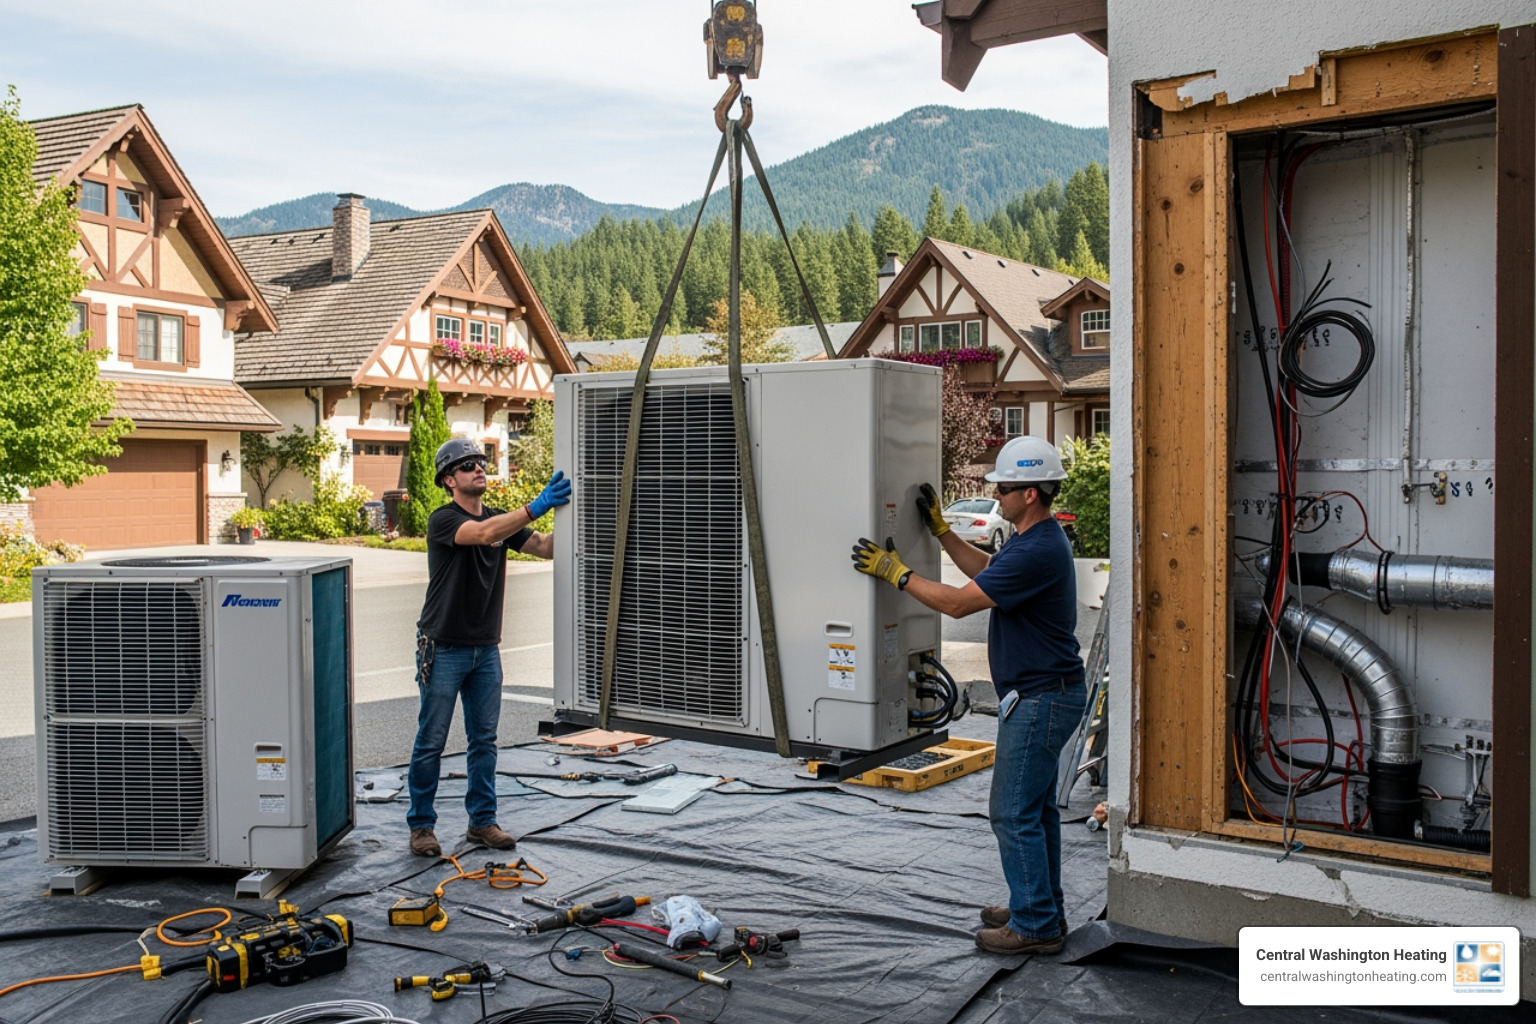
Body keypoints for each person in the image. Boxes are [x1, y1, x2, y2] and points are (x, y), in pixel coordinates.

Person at [851, 435, 1085, 956]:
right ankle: (1040, 905)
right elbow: (984, 574)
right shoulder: (1034, 539)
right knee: (1037, 810)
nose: (996, 494)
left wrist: (897, 574)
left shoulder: (1040, 547)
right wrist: (940, 533)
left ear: (1030, 493)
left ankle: (1035, 925)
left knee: (1012, 812)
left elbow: (959, 606)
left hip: (1041, 699)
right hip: (1047, 695)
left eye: (1004, 487)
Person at [406, 437, 572, 857]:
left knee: (484, 740)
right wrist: (534, 507)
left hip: (485, 649)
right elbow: (481, 534)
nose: (478, 469)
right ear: (449, 480)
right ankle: (422, 827)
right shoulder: (443, 520)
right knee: (432, 740)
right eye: (467, 466)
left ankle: (482, 822)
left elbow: (545, 546)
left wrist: (583, 507)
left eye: (481, 462)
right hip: (443, 646)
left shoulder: (502, 520)